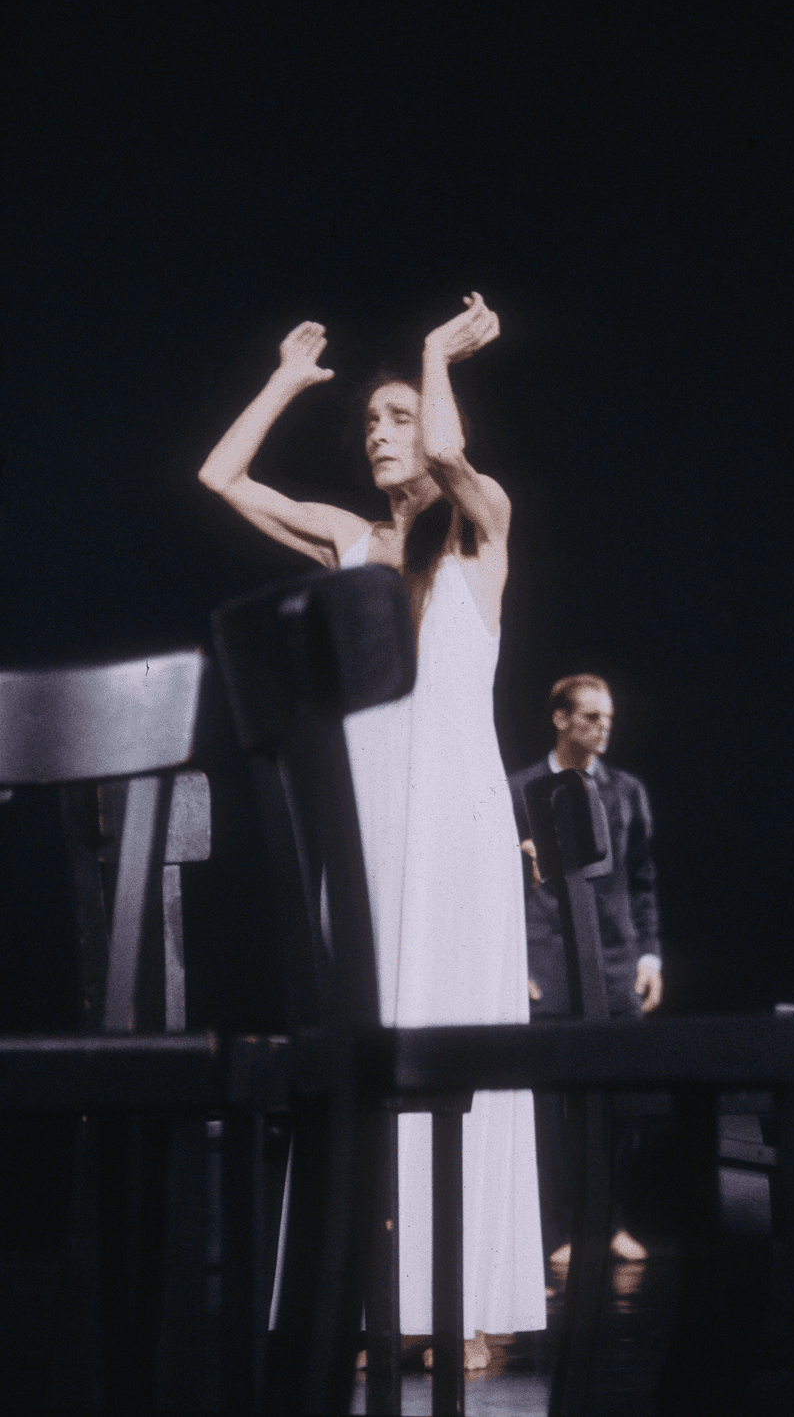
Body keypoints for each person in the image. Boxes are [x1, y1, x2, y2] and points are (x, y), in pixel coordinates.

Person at [199, 294, 546, 1370]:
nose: (383, 432)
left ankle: (470, 1304)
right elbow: (219, 479)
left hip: (459, 816)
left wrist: (437, 353)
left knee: (458, 1037)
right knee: (370, 1040)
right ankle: (370, 1294)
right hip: (372, 824)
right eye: (372, 423)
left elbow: (448, 446)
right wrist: (287, 382)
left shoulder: (479, 519)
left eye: (393, 415)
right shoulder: (351, 541)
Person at [508, 674, 663, 1266]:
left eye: (609, 719)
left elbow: (643, 879)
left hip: (616, 959)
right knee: (552, 1105)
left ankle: (611, 1221)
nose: (603, 729)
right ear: (561, 718)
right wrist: (515, 962)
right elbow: (505, 885)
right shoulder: (521, 788)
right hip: (549, 959)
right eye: (592, 717)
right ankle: (561, 1231)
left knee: (621, 1100)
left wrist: (649, 954)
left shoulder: (626, 791)